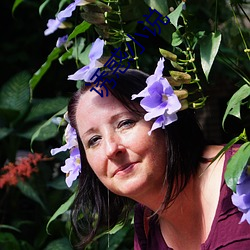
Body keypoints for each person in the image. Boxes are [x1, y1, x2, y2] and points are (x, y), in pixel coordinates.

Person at [65, 67, 250, 250]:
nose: (111, 149)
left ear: (166, 119)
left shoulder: (244, 170)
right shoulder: (146, 226)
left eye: (125, 123)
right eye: (94, 140)